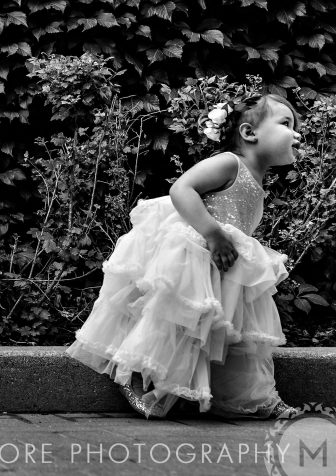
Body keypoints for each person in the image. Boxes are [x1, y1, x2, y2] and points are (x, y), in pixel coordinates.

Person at [66, 93, 300, 419]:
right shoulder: (229, 163)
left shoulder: (258, 180)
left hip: (220, 267)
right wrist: (213, 233)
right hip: (194, 256)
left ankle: (249, 397)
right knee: (172, 323)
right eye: (287, 124)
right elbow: (182, 189)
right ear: (249, 133)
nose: (297, 134)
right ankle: (140, 374)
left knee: (222, 335)